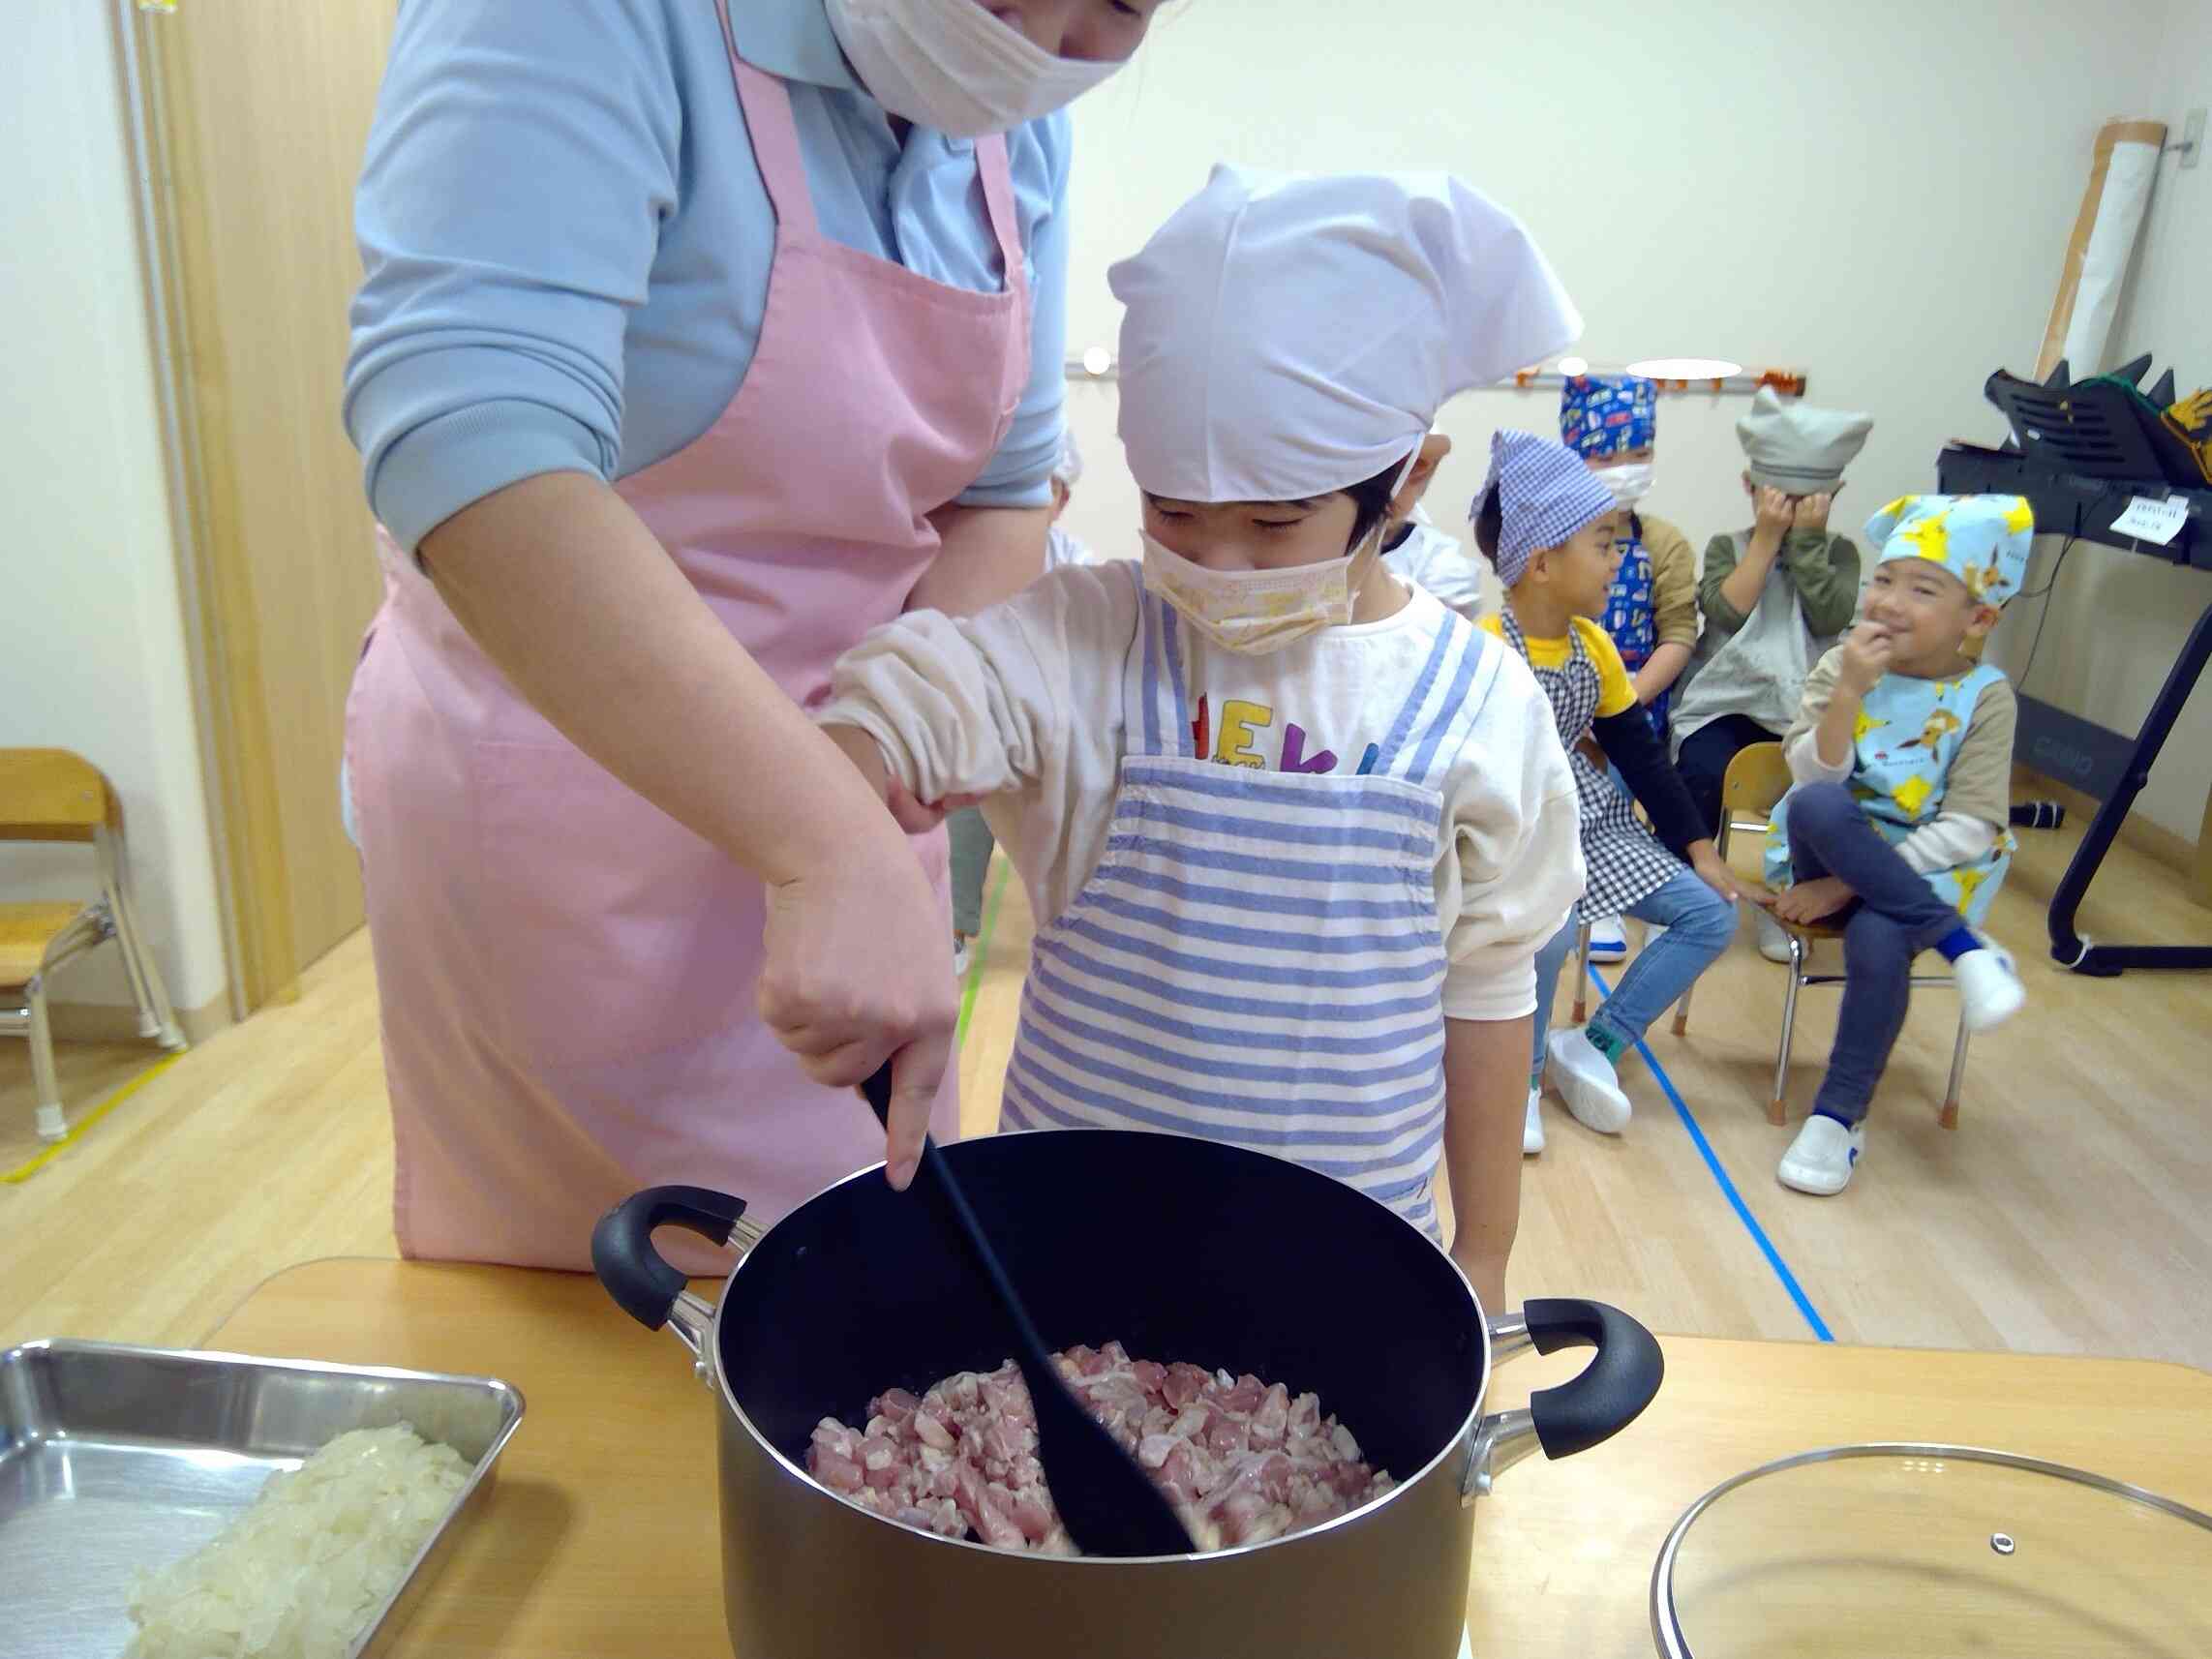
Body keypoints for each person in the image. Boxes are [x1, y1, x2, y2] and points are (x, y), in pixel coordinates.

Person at [339, 0, 1162, 1272]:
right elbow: (471, 439)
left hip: (863, 796)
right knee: (610, 1303)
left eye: (1117, 4)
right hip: (584, 825)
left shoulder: (1016, 119)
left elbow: (1003, 494)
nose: (1038, 35)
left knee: (873, 1278)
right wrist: (820, 832)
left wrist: (867, 769)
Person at [816, 167, 1588, 1308]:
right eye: (1171, 512)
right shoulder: (1094, 640)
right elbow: (917, 693)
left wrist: (1482, 1252)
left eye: (1274, 523)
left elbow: (1487, 990)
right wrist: (833, 845)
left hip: (1343, 1260)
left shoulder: (1476, 703)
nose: (1216, 564)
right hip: (1061, 1250)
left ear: (1406, 478)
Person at [1473, 433, 1753, 1156]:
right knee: (1548, 936)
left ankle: (1596, 1041)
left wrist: (1699, 850)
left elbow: (1641, 757)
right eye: (1601, 545)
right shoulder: (1487, 647)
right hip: (1519, 832)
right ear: (1541, 563)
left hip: (1588, 819)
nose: (1617, 561)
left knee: (1709, 915)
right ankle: (1521, 1081)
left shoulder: (1592, 645)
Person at [1764, 496, 2033, 1196]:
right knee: (1820, 803)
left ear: (1978, 619)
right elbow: (1811, 779)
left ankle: (1836, 1118)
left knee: (1879, 937)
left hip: (1922, 872)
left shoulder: (1986, 696)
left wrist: (1846, 888)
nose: (1888, 601)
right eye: (1883, 579)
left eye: (1922, 589)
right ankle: (1961, 947)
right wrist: (1849, 693)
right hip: (1825, 844)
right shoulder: (1841, 666)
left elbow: (1971, 826)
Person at [1673, 387, 1873, 960]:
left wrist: (1807, 541)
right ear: (1751, 488)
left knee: (1812, 792)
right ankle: (1685, 894)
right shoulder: (1727, 546)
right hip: (1726, 702)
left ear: (1833, 495)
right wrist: (1765, 540)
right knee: (1699, 771)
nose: (1793, 509)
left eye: (1809, 501)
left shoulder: (1841, 554)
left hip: (1804, 705)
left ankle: (1784, 900)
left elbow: (1828, 616)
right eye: (1782, 498)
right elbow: (1726, 612)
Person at [1558, 374, 1699, 963]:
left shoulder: (1665, 542)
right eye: (1606, 456)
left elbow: (1679, 634)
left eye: (1638, 453)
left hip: (1640, 698)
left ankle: (1634, 893)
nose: (1624, 468)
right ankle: (1583, 890)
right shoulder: (1553, 538)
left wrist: (1628, 699)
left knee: (1629, 763)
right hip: (1564, 693)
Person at [950, 431, 1093, 980]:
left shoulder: (1074, 565)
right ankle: (953, 926)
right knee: (965, 793)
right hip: (984, 714)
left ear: (1062, 499)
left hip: (1054, 717)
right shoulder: (966, 554)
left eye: (1043, 488)